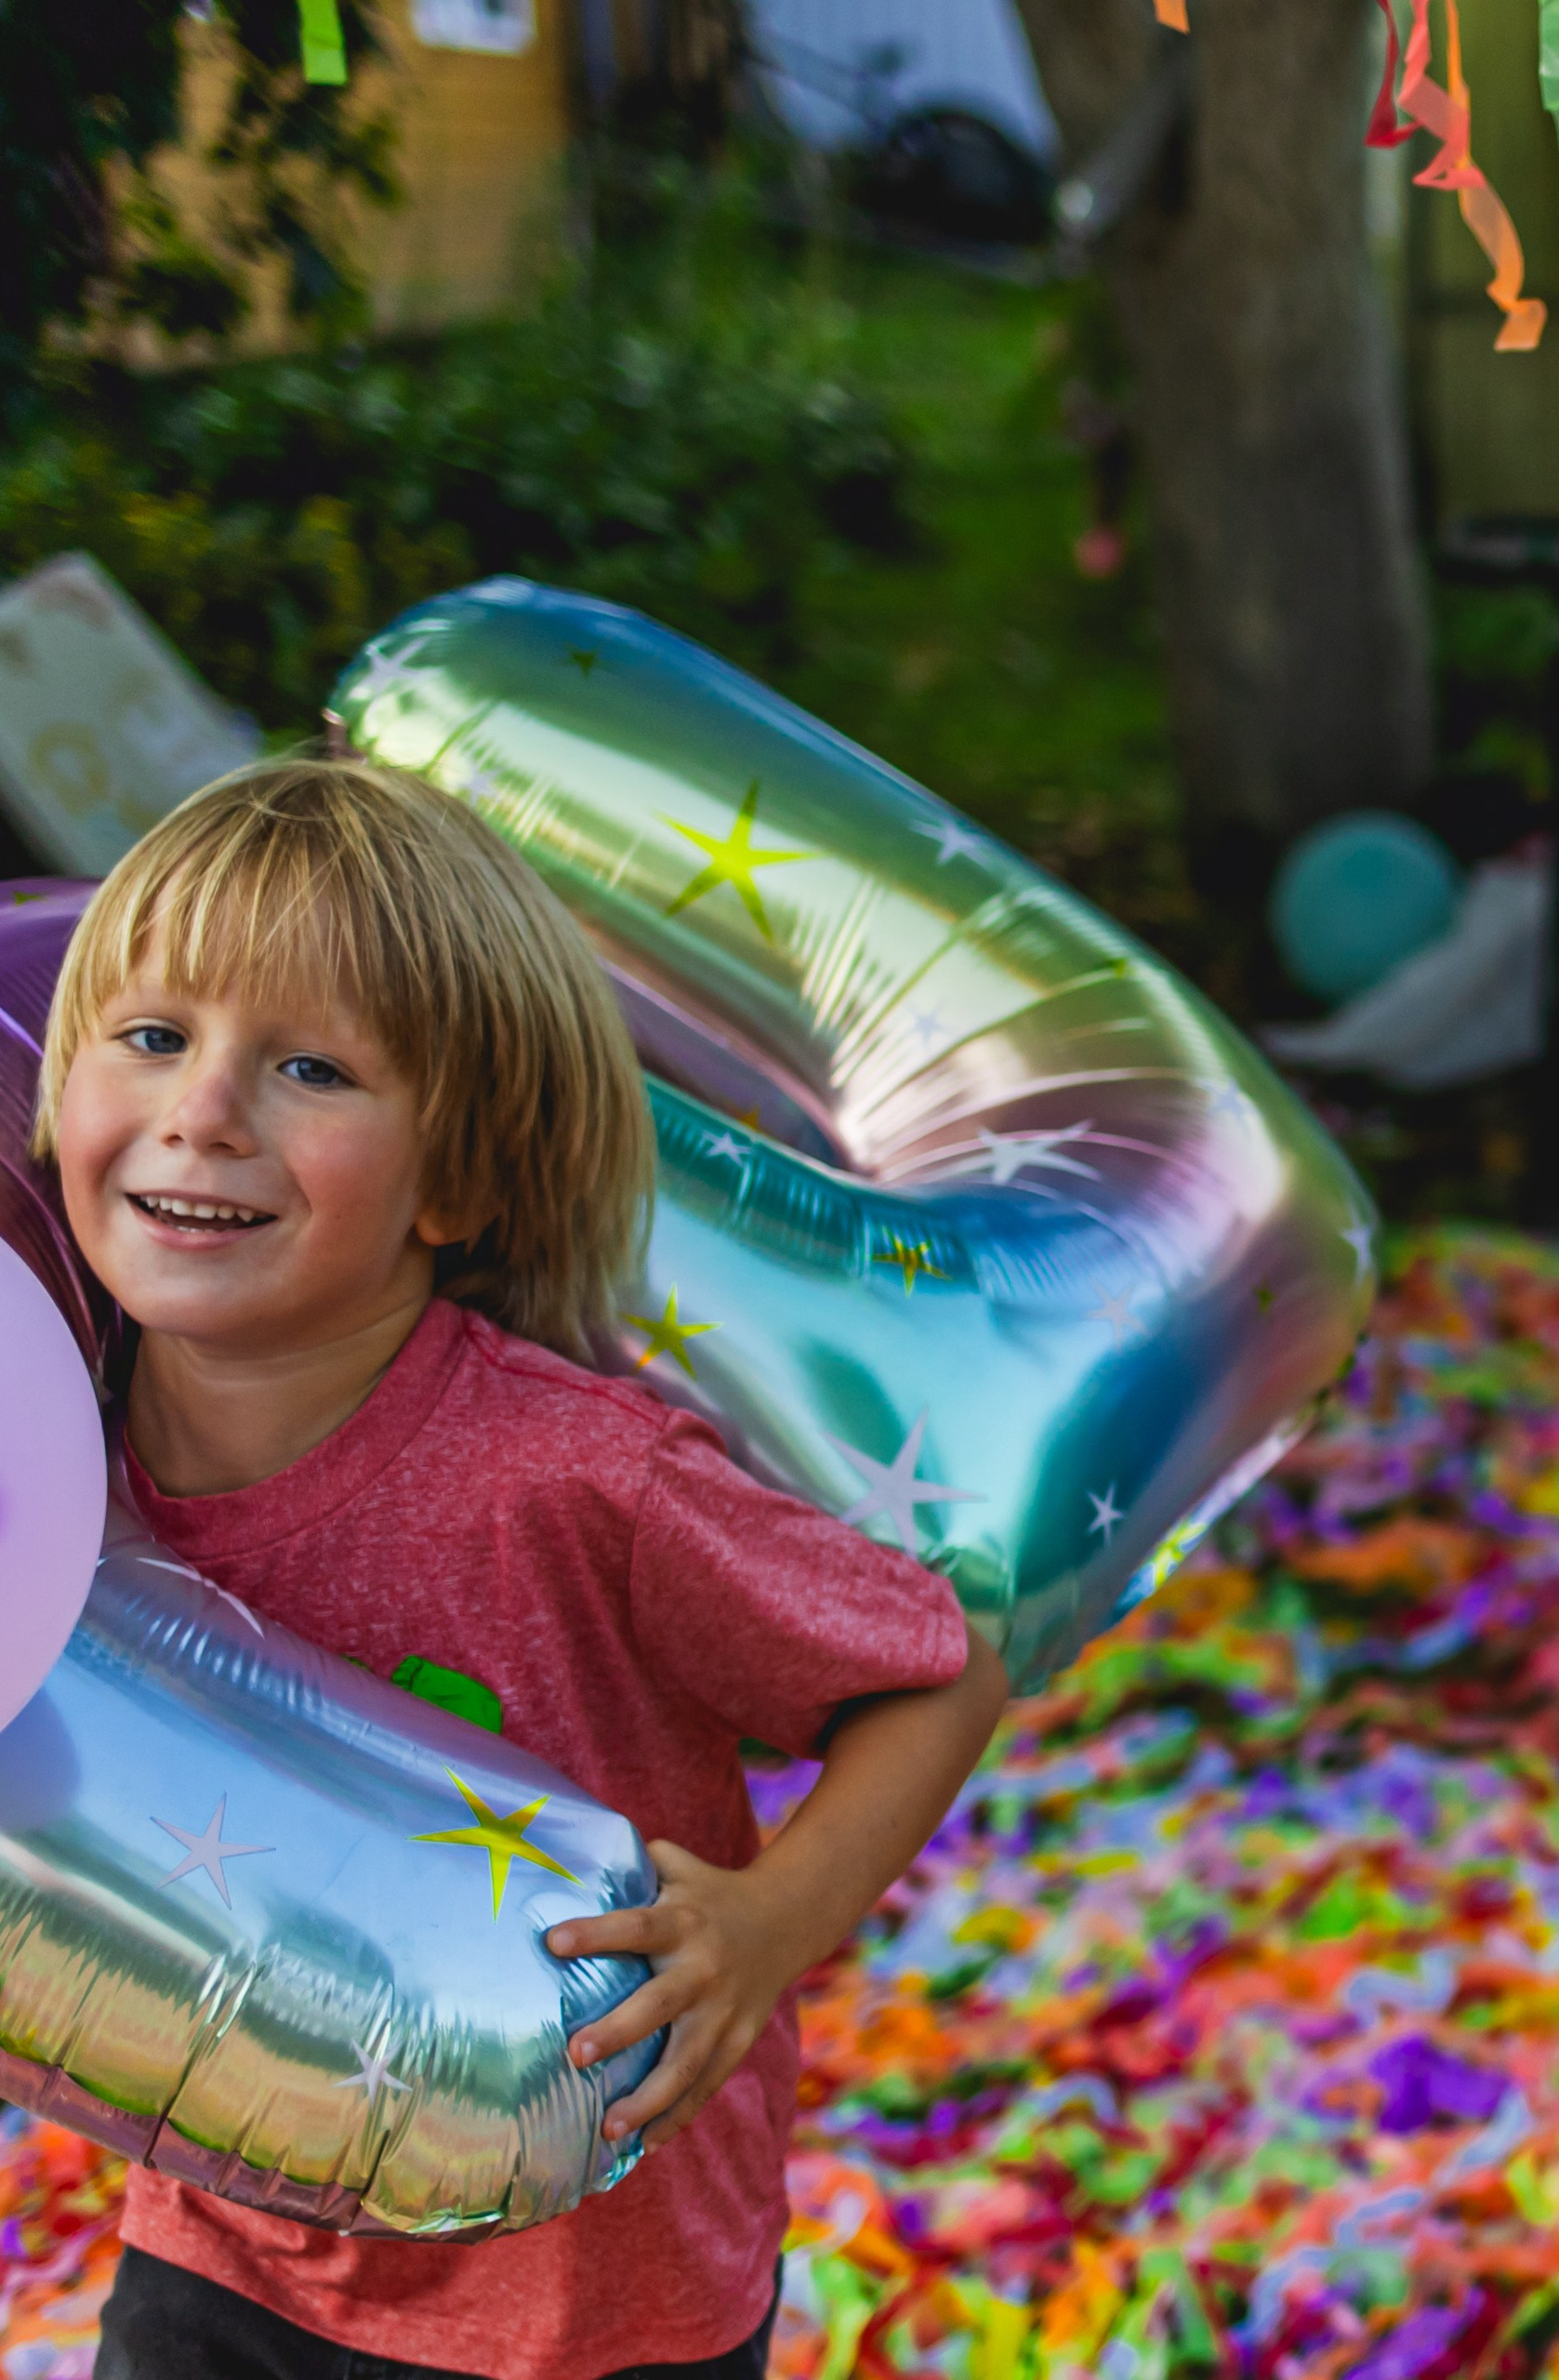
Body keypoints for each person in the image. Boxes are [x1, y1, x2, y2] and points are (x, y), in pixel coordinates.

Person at [45, 761, 1011, 2380]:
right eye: (151, 1037)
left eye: (307, 1068)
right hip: (226, 2239)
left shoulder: (570, 1477)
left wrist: (773, 1925)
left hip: (590, 2304)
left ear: (462, 1182)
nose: (203, 1111)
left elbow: (939, 1669)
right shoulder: (54, 1445)